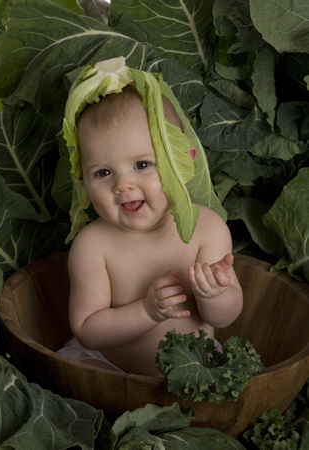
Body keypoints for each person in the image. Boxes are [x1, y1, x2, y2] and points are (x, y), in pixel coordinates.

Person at [58, 85, 243, 377]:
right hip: (110, 365)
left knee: (225, 383)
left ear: (184, 163)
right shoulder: (92, 245)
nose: (123, 185)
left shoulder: (206, 228)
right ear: (83, 178)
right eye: (103, 172)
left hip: (194, 368)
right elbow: (87, 331)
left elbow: (227, 316)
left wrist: (215, 294)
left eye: (143, 164)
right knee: (78, 375)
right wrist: (146, 312)